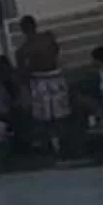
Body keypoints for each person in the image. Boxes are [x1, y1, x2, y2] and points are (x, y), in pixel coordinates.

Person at [13, 15, 68, 150]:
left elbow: (22, 72)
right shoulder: (47, 38)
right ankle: (58, 142)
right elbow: (56, 52)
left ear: (23, 30)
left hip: (41, 80)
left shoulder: (24, 49)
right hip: (52, 77)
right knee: (56, 113)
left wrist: (23, 86)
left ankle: (54, 142)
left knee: (46, 115)